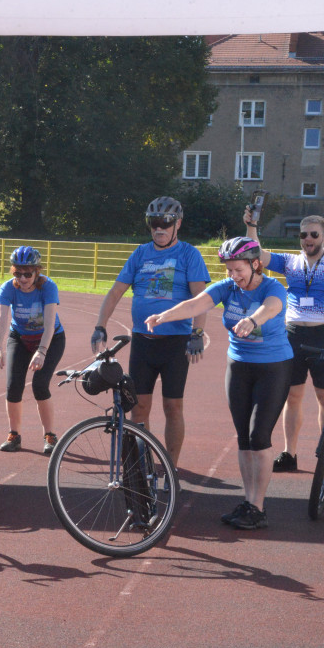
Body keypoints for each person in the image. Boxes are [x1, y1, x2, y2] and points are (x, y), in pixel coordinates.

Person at [145, 237, 292, 530]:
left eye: (238, 269)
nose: (233, 275)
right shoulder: (228, 288)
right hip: (239, 366)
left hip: (273, 367)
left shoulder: (272, 288)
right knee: (243, 437)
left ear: (255, 264)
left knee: (259, 436)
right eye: (228, 270)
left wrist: (252, 320)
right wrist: (165, 315)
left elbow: (271, 309)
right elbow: (196, 303)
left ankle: (258, 507)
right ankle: (248, 501)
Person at [243, 210, 324, 472]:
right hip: (292, 334)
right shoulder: (290, 262)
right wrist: (252, 224)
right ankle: (289, 453)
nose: (308, 239)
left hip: (323, 334)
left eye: (314, 234)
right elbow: (255, 252)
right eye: (304, 235)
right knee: (293, 396)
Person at [91, 197, 210, 472]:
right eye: (154, 224)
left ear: (177, 224)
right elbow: (115, 292)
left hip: (175, 344)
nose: (159, 229)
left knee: (172, 407)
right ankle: (140, 466)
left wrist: (197, 333)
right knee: (139, 407)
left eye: (165, 223)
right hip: (143, 343)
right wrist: (100, 325)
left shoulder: (189, 254)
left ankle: (171, 467)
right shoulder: (140, 254)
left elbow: (201, 298)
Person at [0, 246, 66, 454]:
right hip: (21, 338)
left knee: (40, 385)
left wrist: (42, 351)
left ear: (37, 272)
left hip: (50, 339)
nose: (23, 278)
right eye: (18, 273)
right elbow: (0, 321)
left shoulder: (48, 287)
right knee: (13, 386)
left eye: (27, 273)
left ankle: (50, 435)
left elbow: (50, 324)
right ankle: (14, 435)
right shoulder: (7, 289)